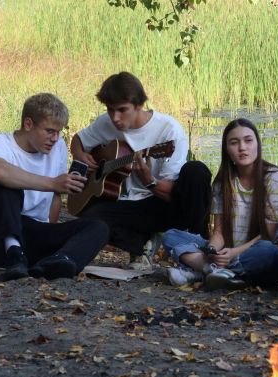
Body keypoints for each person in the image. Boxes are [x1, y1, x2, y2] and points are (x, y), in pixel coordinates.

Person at [70, 72, 212, 270]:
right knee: (88, 219)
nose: (115, 118)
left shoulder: (168, 131)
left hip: (163, 204)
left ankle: (197, 245)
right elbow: (78, 140)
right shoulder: (106, 123)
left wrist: (149, 181)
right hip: (128, 202)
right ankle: (141, 244)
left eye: (122, 110)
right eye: (110, 110)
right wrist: (79, 155)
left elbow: (174, 194)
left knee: (196, 171)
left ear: (138, 105)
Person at [0, 93, 108, 280]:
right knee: (5, 183)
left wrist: (49, 231)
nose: (55, 138)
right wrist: (52, 183)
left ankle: (58, 261)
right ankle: (14, 253)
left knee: (98, 227)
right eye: (49, 131)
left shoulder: (57, 147)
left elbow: (55, 197)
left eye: (59, 132)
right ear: (28, 124)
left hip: (32, 232)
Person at [161, 118, 278, 290]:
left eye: (248, 140)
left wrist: (233, 254)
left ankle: (205, 272)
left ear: (257, 144)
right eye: (234, 142)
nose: (242, 148)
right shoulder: (223, 182)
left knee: (267, 250)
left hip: (269, 256)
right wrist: (211, 251)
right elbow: (219, 231)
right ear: (226, 149)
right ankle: (215, 270)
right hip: (231, 252)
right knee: (171, 235)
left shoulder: (275, 178)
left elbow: (268, 235)